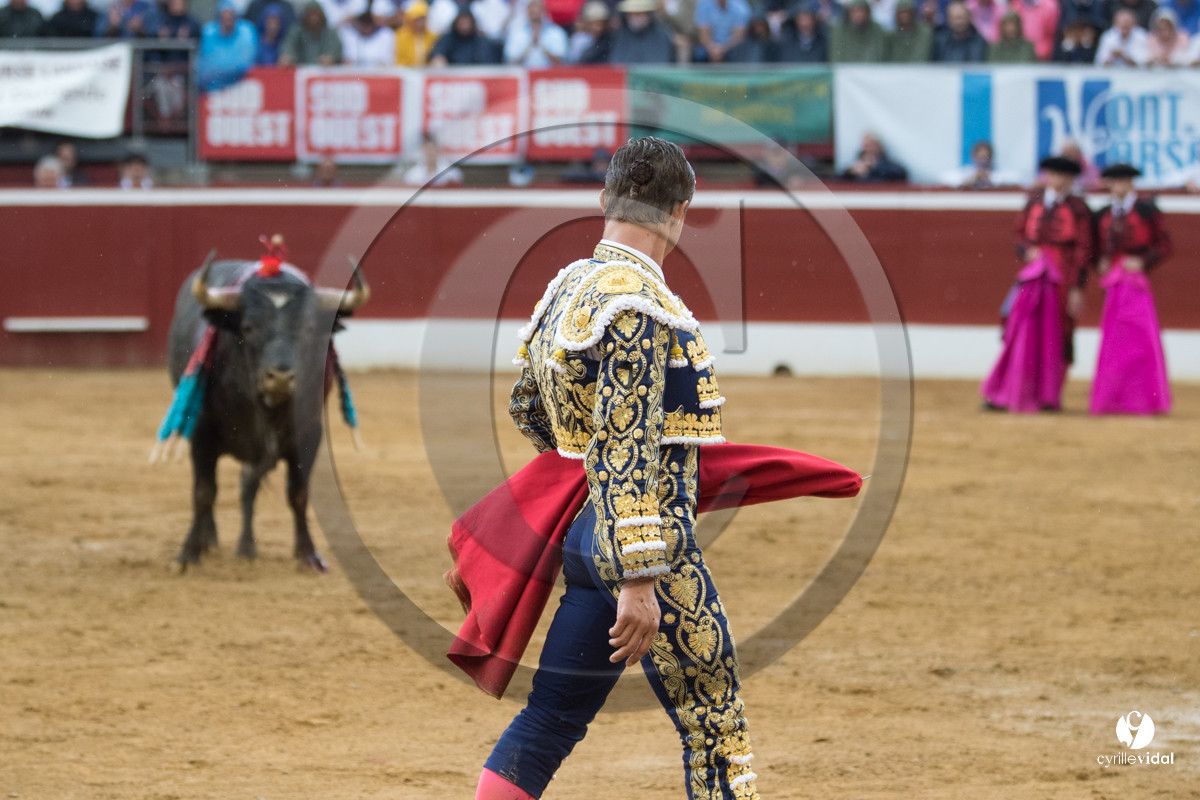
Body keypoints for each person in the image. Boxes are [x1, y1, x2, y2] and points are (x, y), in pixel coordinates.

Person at [477, 135, 763, 800]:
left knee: (550, 720)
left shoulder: (568, 289)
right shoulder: (639, 306)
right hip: (648, 545)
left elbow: (530, 408)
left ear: (605, 198)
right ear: (681, 210)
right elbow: (626, 446)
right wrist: (639, 576)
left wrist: (586, 502)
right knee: (714, 727)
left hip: (586, 536)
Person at [980, 156, 1094, 413]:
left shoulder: (1078, 208)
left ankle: (1048, 396)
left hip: (1062, 277)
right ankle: (1010, 391)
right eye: (1054, 174)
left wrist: (1077, 288)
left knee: (1059, 333)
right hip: (1032, 275)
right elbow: (1018, 235)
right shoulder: (1034, 201)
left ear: (1071, 180)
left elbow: (1084, 250)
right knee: (1019, 327)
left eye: (1064, 175)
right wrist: (1026, 251)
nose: (1059, 179)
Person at [1089, 164, 1172, 416]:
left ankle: (1145, 398)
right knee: (1115, 340)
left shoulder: (1147, 211)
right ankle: (1114, 397)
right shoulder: (1103, 214)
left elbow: (1164, 245)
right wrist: (1099, 262)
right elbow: (1092, 248)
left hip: (1136, 281)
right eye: (1114, 181)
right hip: (1113, 283)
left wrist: (1143, 261)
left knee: (1141, 338)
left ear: (1131, 183)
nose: (1118, 186)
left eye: (1123, 181)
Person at [196, 0, 257, 91]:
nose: (227, 19)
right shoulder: (208, 32)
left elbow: (246, 64)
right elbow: (204, 68)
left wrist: (220, 72)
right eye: (224, 16)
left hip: (241, 88)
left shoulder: (246, 31)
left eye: (230, 16)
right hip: (211, 91)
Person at [607, 0, 678, 63]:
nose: (635, 18)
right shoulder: (618, 36)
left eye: (639, 14)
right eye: (631, 14)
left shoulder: (662, 35)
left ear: (648, 15)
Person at [504, 0, 568, 66]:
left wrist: (540, 45)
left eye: (537, 7)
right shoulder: (517, 33)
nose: (534, 10)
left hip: (550, 72)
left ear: (544, 10)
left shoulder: (556, 32)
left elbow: (560, 60)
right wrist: (530, 46)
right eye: (531, 8)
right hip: (523, 71)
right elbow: (511, 60)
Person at [429, 7, 501, 65]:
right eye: (462, 21)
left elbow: (488, 63)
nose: (464, 24)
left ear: (472, 22)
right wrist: (439, 59)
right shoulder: (447, 39)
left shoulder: (480, 41)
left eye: (467, 21)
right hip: (451, 77)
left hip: (476, 76)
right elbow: (438, 54)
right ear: (456, 22)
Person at [279, 0, 342, 65]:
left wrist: (331, 57)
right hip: (300, 69)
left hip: (323, 70)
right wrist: (287, 56)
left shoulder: (330, 34)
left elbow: (335, 51)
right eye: (310, 15)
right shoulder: (296, 32)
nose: (313, 18)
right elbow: (288, 47)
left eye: (316, 14)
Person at [941, 140, 1021, 188]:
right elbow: (944, 178)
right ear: (973, 157)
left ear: (991, 158)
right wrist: (971, 179)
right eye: (980, 158)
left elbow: (1018, 179)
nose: (983, 161)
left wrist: (991, 179)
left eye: (985, 157)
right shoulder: (968, 172)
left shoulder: (998, 174)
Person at [841, 131, 908, 182]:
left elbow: (901, 174)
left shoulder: (886, 165)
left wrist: (874, 167)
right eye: (865, 145)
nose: (867, 149)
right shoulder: (857, 163)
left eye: (870, 145)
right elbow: (840, 179)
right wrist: (851, 172)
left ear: (878, 146)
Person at [394, 0, 437, 65]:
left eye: (422, 19)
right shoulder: (401, 36)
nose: (420, 23)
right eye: (417, 20)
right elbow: (399, 59)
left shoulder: (433, 36)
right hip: (406, 69)